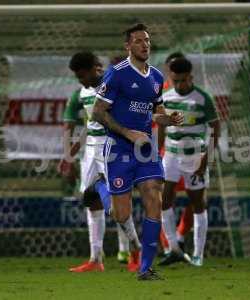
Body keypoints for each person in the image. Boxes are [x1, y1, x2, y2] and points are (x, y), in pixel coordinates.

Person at [93, 23, 183, 280]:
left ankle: (145, 268)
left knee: (155, 198)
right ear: (128, 46)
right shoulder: (117, 74)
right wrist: (127, 132)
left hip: (145, 149)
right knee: (121, 214)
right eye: (139, 41)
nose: (145, 45)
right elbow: (98, 112)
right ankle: (102, 187)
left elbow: (157, 112)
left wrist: (169, 119)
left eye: (147, 41)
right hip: (119, 148)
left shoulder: (156, 77)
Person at [59, 52, 139, 272]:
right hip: (91, 150)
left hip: (114, 147)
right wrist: (69, 155)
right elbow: (87, 124)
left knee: (117, 205)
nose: (82, 81)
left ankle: (136, 250)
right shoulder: (81, 93)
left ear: (97, 68)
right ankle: (96, 259)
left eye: (84, 75)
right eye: (79, 78)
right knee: (90, 199)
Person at [159, 57, 220, 267]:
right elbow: (162, 125)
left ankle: (198, 255)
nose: (179, 85)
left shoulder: (203, 99)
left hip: (194, 157)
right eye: (175, 81)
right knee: (164, 200)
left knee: (197, 203)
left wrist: (205, 161)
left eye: (183, 80)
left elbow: (215, 130)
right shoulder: (165, 97)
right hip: (171, 156)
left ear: (190, 77)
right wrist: (158, 153)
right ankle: (174, 249)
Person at [159, 51, 194, 255]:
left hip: (191, 152)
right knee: (164, 199)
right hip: (167, 151)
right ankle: (168, 246)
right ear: (168, 70)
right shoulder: (159, 92)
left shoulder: (194, 93)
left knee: (197, 197)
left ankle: (180, 236)